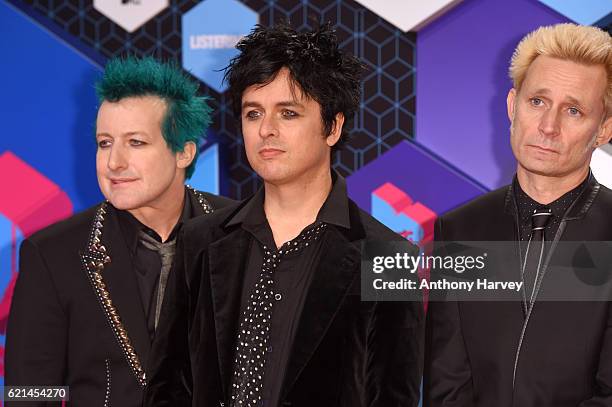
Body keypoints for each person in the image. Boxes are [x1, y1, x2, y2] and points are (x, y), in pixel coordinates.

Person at [145, 23, 424, 407]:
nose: (266, 131)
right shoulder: (200, 241)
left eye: (288, 113)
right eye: (253, 113)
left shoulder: (387, 259)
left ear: (333, 126)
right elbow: (167, 388)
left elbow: (393, 396)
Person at [5, 56, 234, 406]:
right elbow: (30, 393)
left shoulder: (242, 232)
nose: (114, 163)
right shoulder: (53, 254)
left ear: (184, 152)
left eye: (136, 143)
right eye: (105, 143)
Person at [423, 23, 612, 407]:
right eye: (537, 101)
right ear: (513, 105)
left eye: (573, 110)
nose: (548, 126)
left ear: (603, 129)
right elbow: (446, 383)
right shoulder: (460, 228)